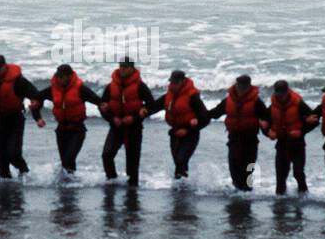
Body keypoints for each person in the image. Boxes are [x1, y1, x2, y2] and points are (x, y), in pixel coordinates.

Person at [0, 55, 44, 178]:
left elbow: (36, 96)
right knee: (1, 156)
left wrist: (37, 117)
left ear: (4, 67)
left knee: (13, 154)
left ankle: (25, 175)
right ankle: (4, 184)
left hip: (15, 120)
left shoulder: (18, 81)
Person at [100, 57, 157, 186]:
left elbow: (151, 105)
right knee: (106, 155)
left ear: (132, 68)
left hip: (134, 128)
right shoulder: (110, 86)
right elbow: (102, 106)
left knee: (132, 165)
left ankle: (132, 194)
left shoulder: (140, 86)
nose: (122, 69)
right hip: (116, 127)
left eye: (125, 67)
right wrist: (112, 118)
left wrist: (135, 117)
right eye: (121, 66)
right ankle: (112, 181)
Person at [36, 64, 103, 174]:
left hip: (77, 130)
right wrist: (38, 118)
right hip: (61, 130)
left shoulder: (80, 89)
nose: (60, 79)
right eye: (58, 76)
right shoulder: (53, 89)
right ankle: (70, 187)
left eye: (62, 76)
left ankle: (70, 184)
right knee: (65, 163)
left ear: (69, 76)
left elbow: (98, 101)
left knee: (68, 159)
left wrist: (107, 112)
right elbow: (37, 98)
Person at [207, 74, 268, 191]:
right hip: (234, 138)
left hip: (250, 139)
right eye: (239, 86)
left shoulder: (257, 102)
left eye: (244, 87)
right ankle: (238, 190)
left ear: (249, 87)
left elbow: (266, 118)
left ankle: (247, 191)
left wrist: (267, 130)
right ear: (236, 85)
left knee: (249, 167)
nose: (241, 89)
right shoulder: (228, 100)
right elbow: (215, 113)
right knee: (234, 167)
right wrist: (199, 116)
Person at [151, 70, 208, 180]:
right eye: (171, 82)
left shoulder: (193, 97)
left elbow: (205, 118)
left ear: (182, 82)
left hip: (191, 134)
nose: (172, 85)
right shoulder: (168, 96)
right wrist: (141, 111)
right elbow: (153, 107)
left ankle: (183, 187)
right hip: (175, 133)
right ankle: (181, 187)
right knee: (178, 161)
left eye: (175, 83)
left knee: (181, 160)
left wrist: (188, 129)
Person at [266, 79, 314, 195]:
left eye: (282, 93)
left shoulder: (298, 103)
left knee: (298, 173)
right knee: (280, 176)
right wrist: (267, 132)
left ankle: (304, 197)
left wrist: (301, 132)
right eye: (278, 93)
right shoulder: (273, 106)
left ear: (287, 92)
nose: (280, 96)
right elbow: (264, 121)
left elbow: (314, 120)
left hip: (297, 144)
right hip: (282, 144)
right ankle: (279, 204)